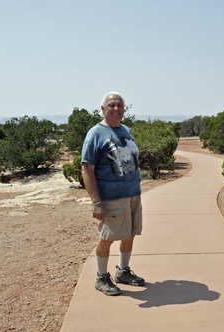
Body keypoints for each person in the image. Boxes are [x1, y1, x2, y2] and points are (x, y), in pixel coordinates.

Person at [81, 91, 145, 296]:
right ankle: (101, 277)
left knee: (131, 233)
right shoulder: (95, 133)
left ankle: (123, 272)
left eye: (120, 105)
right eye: (111, 105)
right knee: (107, 237)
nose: (116, 109)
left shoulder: (126, 130)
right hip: (111, 197)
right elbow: (87, 169)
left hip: (133, 193)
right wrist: (96, 202)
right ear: (103, 109)